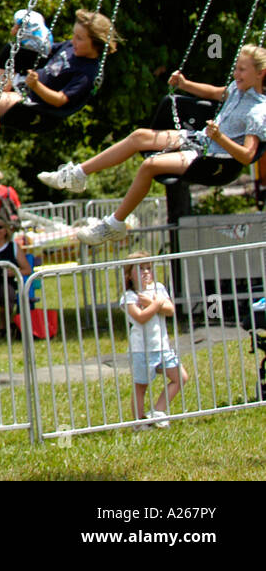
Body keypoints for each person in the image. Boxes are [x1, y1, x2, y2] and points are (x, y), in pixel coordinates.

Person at [38, 46, 266, 244]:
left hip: (213, 157)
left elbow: (247, 156)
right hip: (201, 139)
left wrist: (220, 138)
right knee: (139, 136)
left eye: (242, 70)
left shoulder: (258, 112)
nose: (236, 74)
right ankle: (78, 173)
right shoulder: (237, 89)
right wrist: (185, 84)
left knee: (150, 165)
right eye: (236, 68)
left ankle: (114, 224)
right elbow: (218, 93)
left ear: (260, 73)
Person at [0, 9, 119, 149]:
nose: (73, 40)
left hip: (32, 100)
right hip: (24, 81)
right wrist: (29, 34)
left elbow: (60, 100)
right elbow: (46, 49)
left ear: (96, 43)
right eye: (74, 35)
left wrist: (36, 86)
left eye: (79, 38)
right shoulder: (71, 47)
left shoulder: (87, 73)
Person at [120, 253, 187, 428]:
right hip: (141, 349)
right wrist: (156, 305)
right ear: (129, 274)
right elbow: (140, 317)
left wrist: (154, 302)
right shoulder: (129, 296)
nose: (146, 272)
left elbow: (170, 309)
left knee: (180, 377)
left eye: (148, 268)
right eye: (140, 269)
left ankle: (158, 411)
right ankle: (139, 422)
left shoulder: (158, 289)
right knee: (141, 386)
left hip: (162, 345)